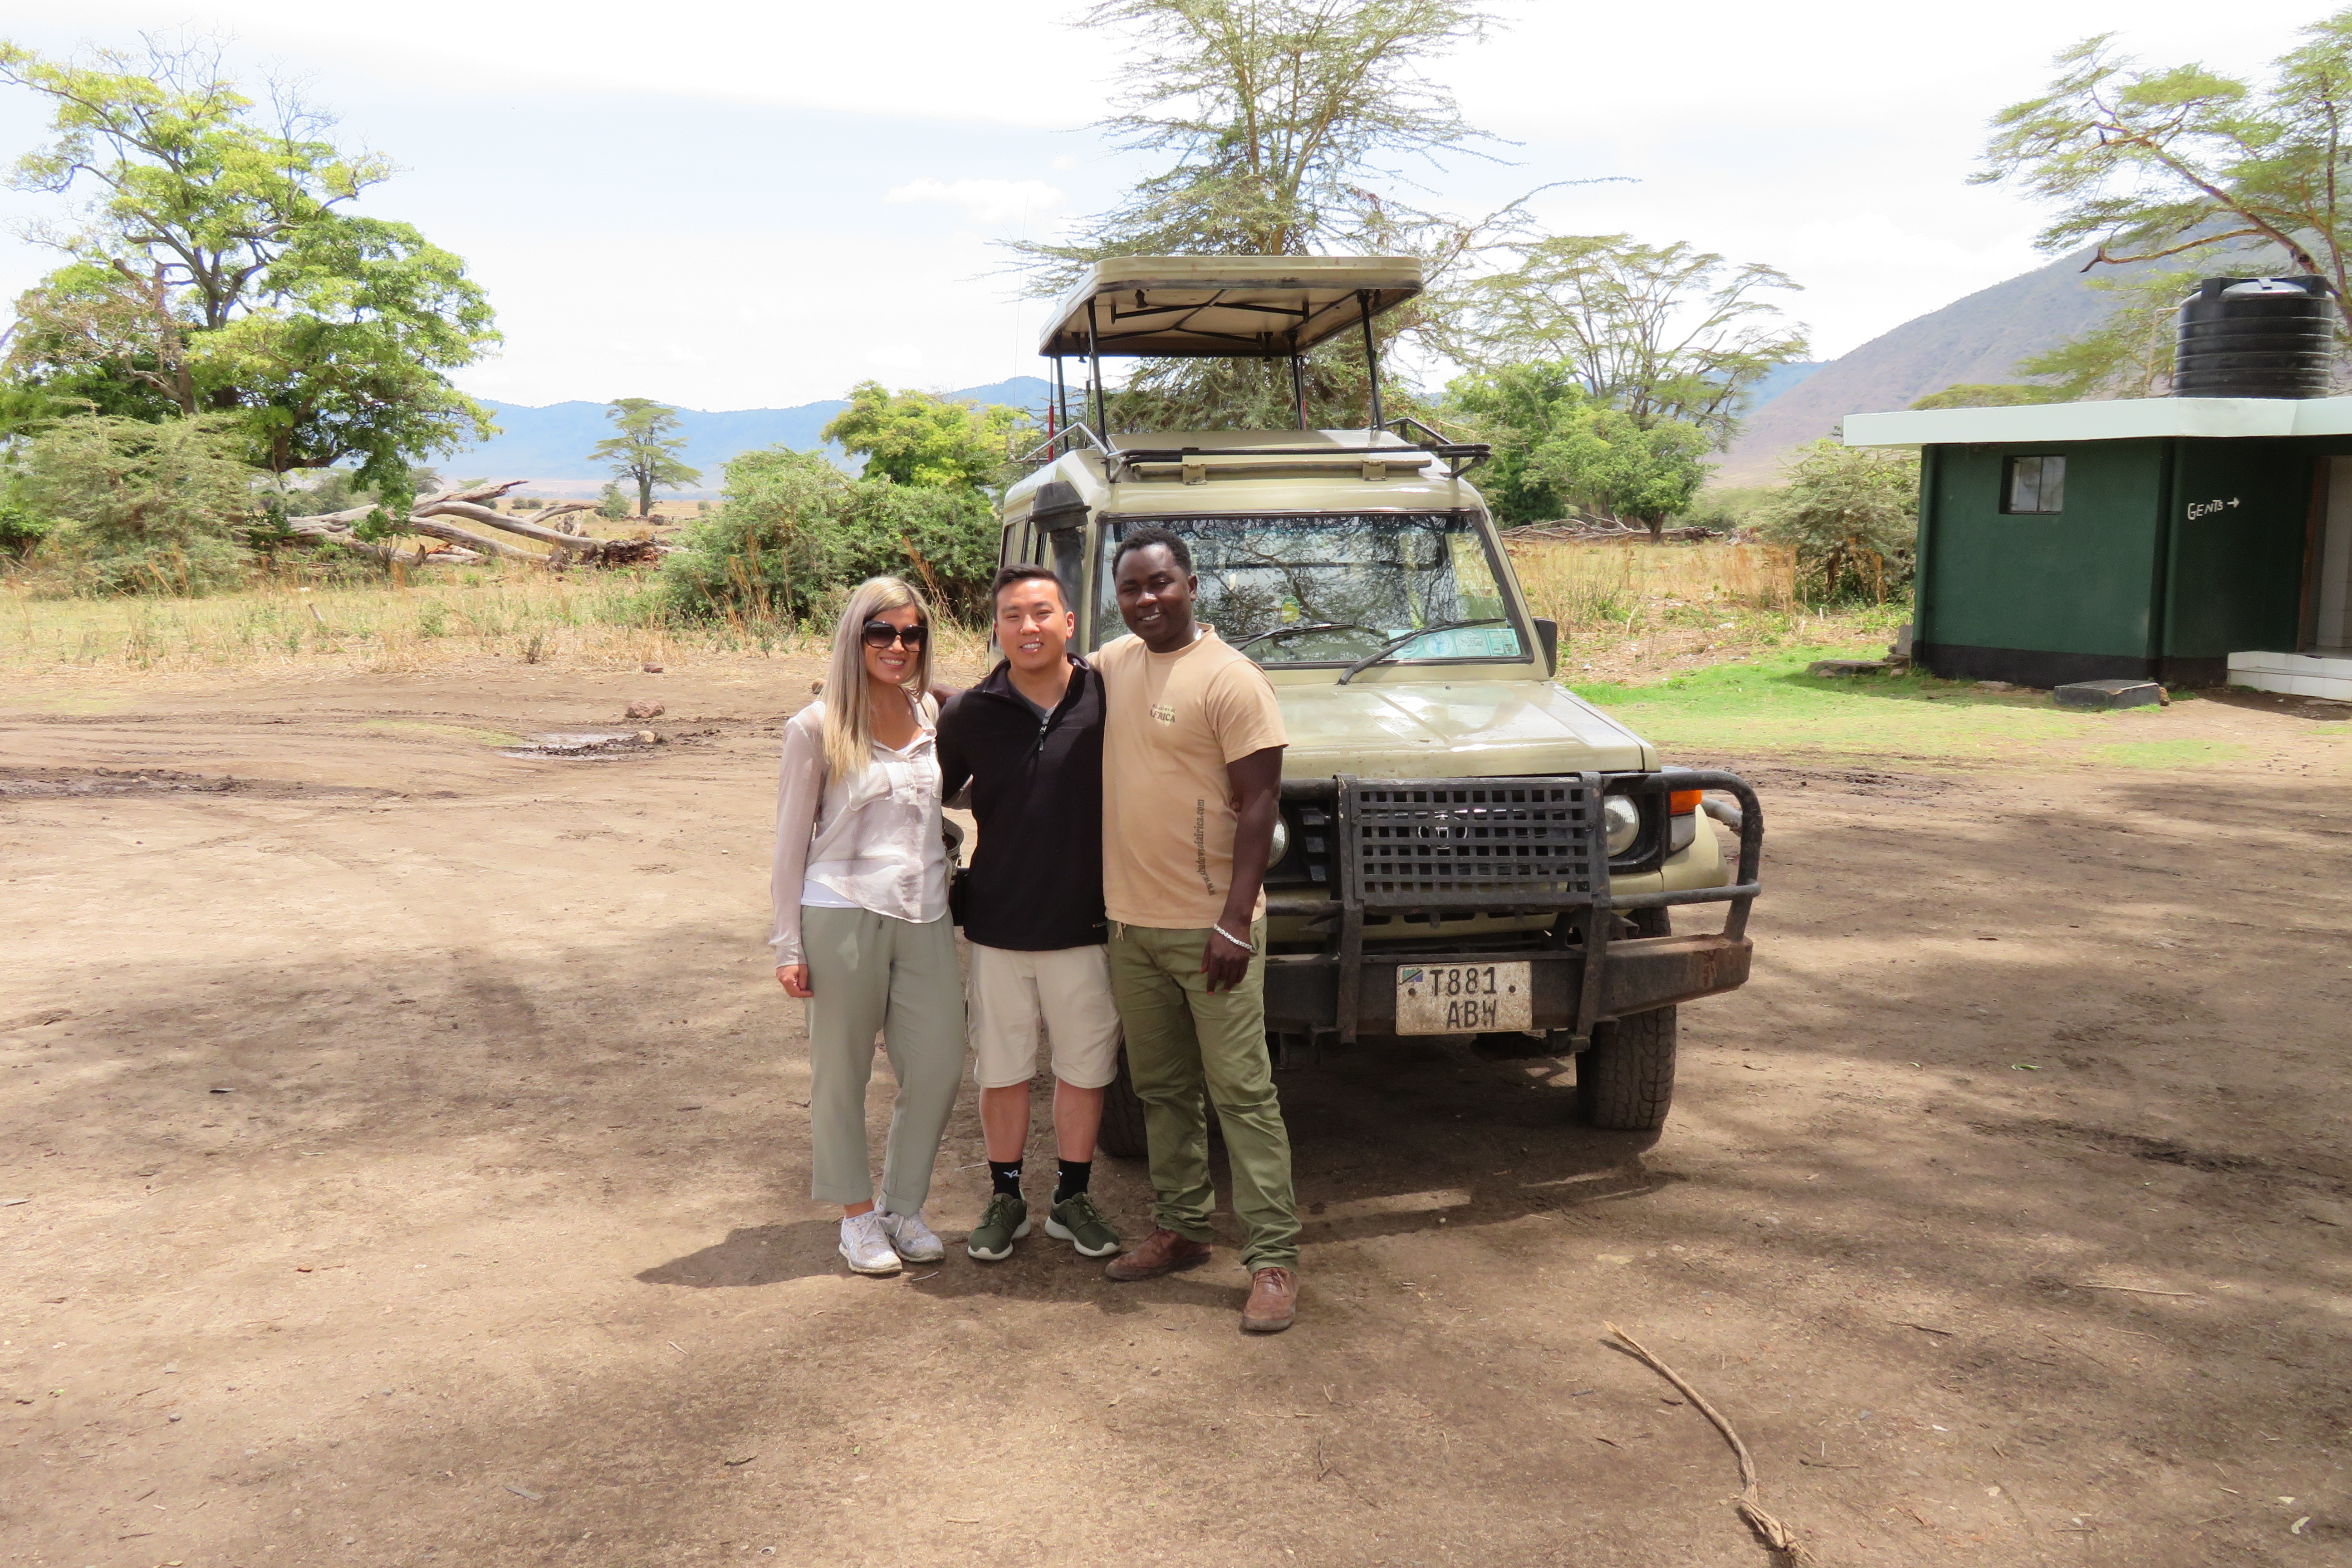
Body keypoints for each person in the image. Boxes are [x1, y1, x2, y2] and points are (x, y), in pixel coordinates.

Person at [1093, 527, 1302, 1333]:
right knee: (1162, 1091)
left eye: (1161, 584)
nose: (1148, 599)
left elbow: (1261, 805)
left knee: (1244, 1094)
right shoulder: (1113, 666)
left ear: (1190, 584)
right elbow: (1029, 688)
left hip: (1212, 931)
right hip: (1131, 927)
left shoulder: (1232, 679)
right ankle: (1182, 1228)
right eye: (1133, 588)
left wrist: (1234, 921)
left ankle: (1274, 1258)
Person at [771, 576, 963, 1277]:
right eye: (880, 633)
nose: (897, 646)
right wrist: (787, 944)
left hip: (926, 910)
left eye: (910, 634)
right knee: (840, 1074)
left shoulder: (933, 713)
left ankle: (902, 1206)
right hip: (841, 909)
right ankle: (857, 1219)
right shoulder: (817, 726)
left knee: (940, 1064)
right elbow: (791, 842)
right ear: (855, 637)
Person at [936, 565, 1122, 1264]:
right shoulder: (969, 713)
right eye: (1013, 615)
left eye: (1043, 612)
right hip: (1000, 922)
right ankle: (1006, 1198)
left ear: (1070, 624)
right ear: (997, 629)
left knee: (1084, 1067)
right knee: (1003, 1069)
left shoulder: (1108, 698)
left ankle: (1071, 1200)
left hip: (1087, 922)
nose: (1029, 627)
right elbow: (930, 795)